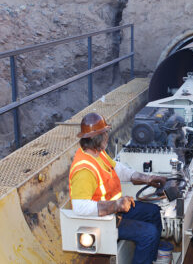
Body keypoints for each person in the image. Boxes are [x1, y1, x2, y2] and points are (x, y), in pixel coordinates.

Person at [69, 112, 167, 264]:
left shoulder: (98, 154)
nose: (107, 135)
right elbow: (80, 207)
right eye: (105, 133)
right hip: (102, 221)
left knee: (153, 212)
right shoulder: (84, 170)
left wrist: (148, 179)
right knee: (149, 234)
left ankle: (150, 258)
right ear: (97, 137)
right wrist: (116, 205)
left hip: (115, 212)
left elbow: (119, 170)